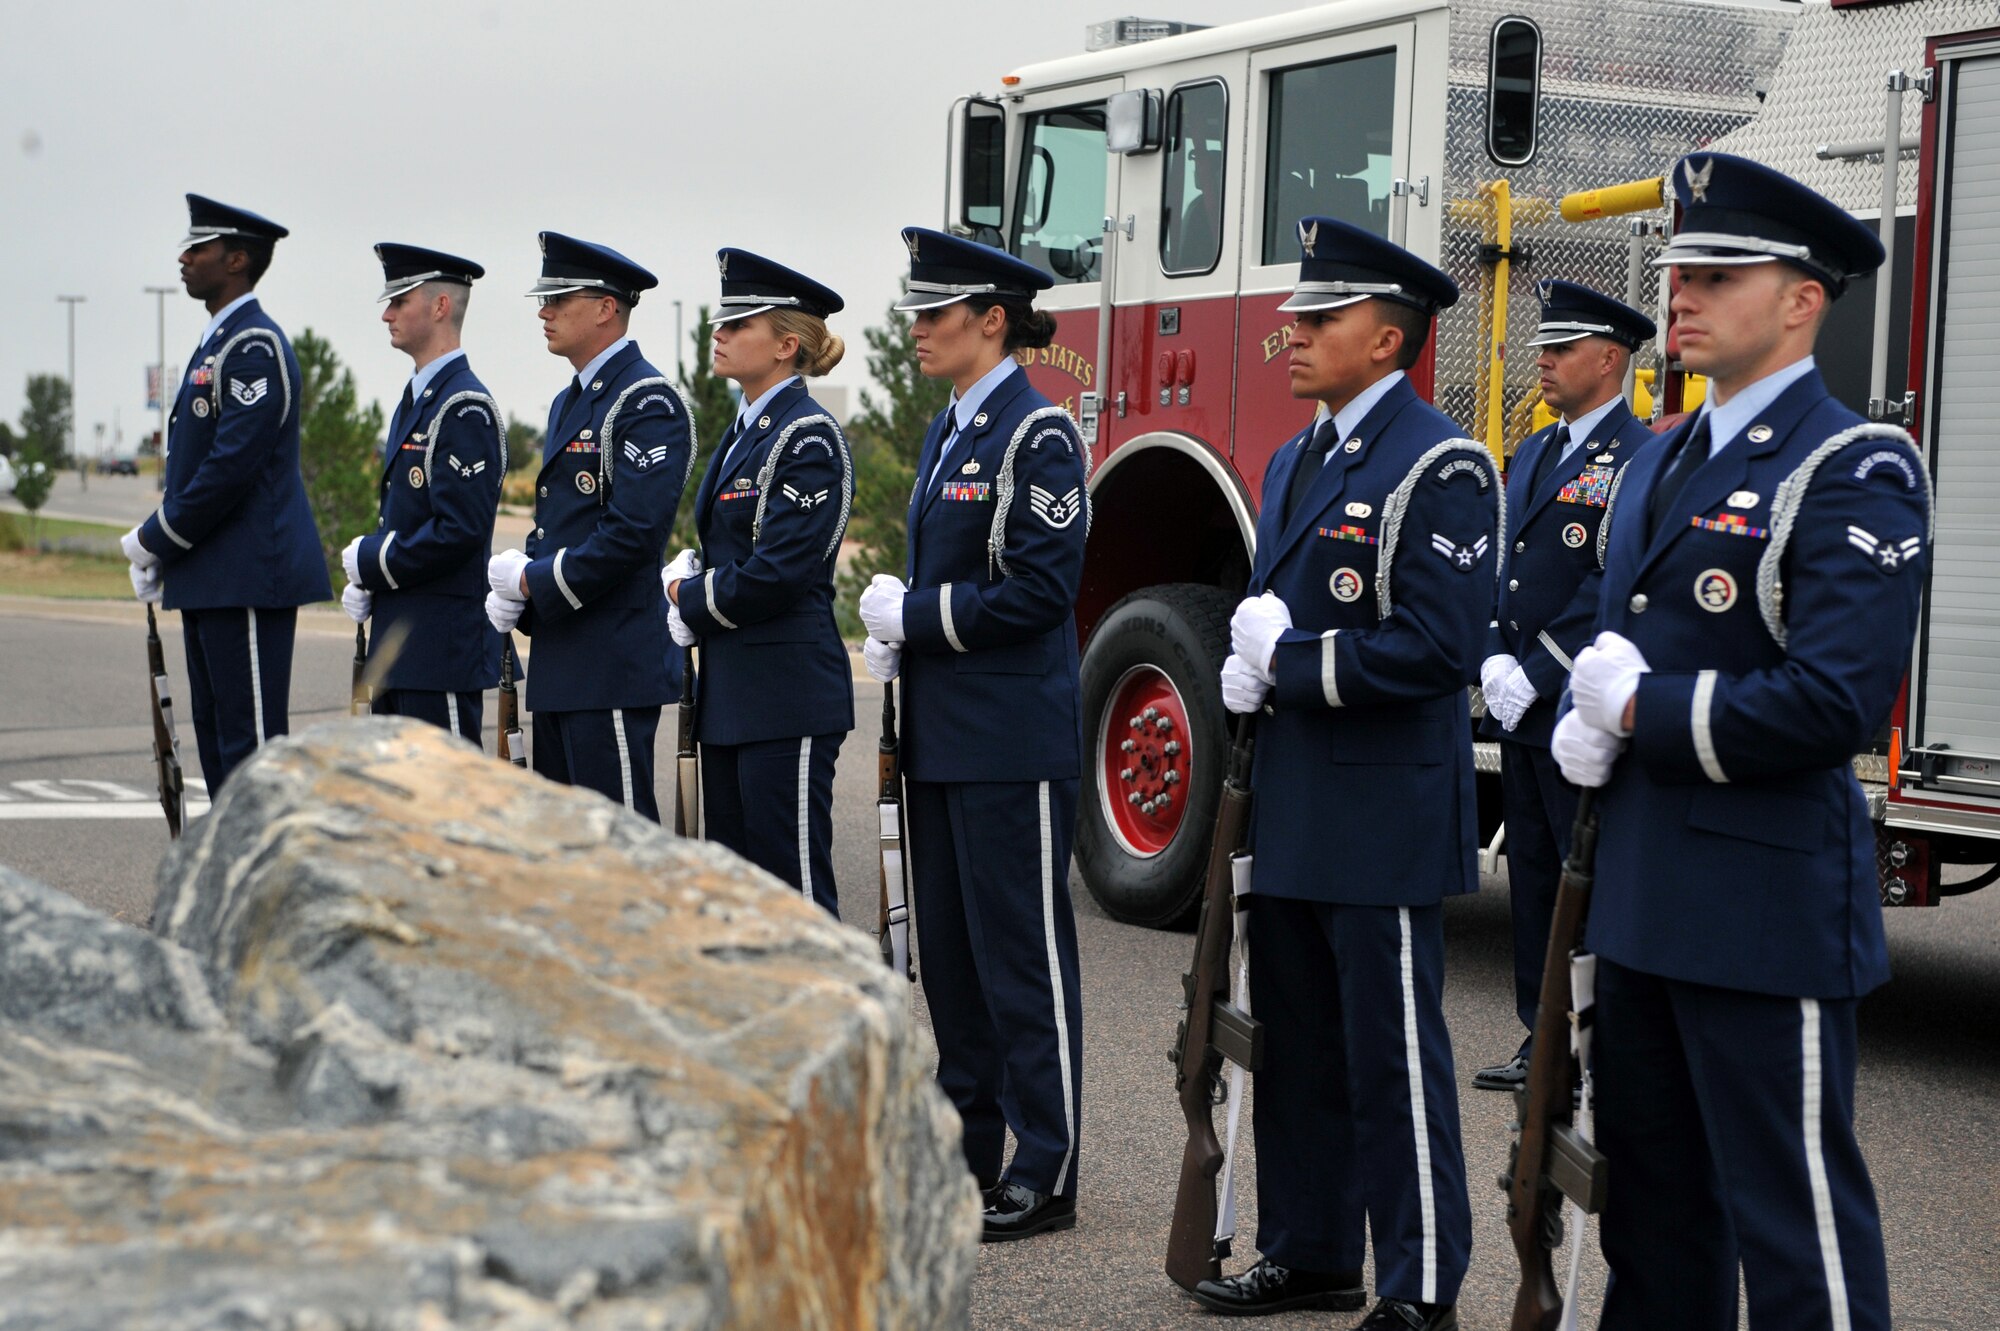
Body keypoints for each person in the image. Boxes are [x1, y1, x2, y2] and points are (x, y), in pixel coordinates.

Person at [1553, 153, 1928, 1331]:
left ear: (1802, 298)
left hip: (1761, 908)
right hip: (1645, 890)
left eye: (1717, 272)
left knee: (1791, 1221)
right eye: (1676, 271)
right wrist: (1589, 712)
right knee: (1652, 1216)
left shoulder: (1852, 465)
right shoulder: (1659, 453)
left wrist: (1633, 712)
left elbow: (1834, 703)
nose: (1682, 294)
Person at [1199, 216, 1493, 1330]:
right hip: (1301, 798)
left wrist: (1292, 663)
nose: (1293, 336)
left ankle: (1420, 1279)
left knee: (1391, 1057)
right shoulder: (1294, 457)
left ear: (1386, 337)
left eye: (1319, 319)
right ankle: (1310, 1245)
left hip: (1382, 806)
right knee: (1301, 1044)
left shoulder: (1439, 461)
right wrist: (1250, 668)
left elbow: (1438, 645)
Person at [856, 227, 1088, 1242]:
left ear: (991, 322)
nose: (915, 329)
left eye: (934, 313)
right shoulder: (947, 430)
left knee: (1019, 960)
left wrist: (916, 617)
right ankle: (965, 1150)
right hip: (945, 734)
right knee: (949, 961)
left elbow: (1039, 589)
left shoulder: (1037, 435)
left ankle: (1048, 1161)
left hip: (1008, 734)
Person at [1471, 279, 1658, 1093]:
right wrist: (1488, 654)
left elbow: (1613, 582)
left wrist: (1538, 667)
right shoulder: (1538, 448)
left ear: (1610, 357)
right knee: (1536, 877)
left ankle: (1591, 1039)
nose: (1541, 361)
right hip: (1517, 704)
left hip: (1575, 703)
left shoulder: (1640, 457)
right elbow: (1501, 566)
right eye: (1543, 346)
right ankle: (1539, 1035)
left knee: (1588, 874)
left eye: (1562, 348)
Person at [662, 249, 853, 912]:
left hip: (785, 698)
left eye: (738, 322)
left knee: (793, 902)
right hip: (736, 700)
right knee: (744, 904)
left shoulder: (806, 437)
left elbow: (779, 572)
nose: (719, 332)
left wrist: (690, 596)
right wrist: (696, 571)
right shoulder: (745, 431)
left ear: (785, 345)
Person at [120, 195, 329, 793]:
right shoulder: (220, 343)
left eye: (199, 249)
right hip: (215, 576)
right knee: (217, 743)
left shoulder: (253, 346)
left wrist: (154, 538)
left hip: (248, 578)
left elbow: (229, 469)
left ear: (237, 259)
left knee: (253, 751)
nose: (184, 258)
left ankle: (269, 885)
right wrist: (166, 551)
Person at [484, 233, 691, 819]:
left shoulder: (644, 400)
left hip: (611, 664)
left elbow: (632, 533)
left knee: (620, 852)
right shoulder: (568, 401)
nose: (544, 311)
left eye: (559, 299)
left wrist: (532, 583)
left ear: (606, 308)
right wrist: (521, 596)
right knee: (567, 855)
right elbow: (559, 525)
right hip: (565, 659)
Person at [339, 244, 505, 745]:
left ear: (440, 307)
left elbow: (460, 529)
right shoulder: (419, 397)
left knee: (449, 810)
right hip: (404, 649)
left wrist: (374, 559)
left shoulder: (463, 406)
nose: (386, 313)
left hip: (441, 653)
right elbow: (407, 517)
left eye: (399, 300)